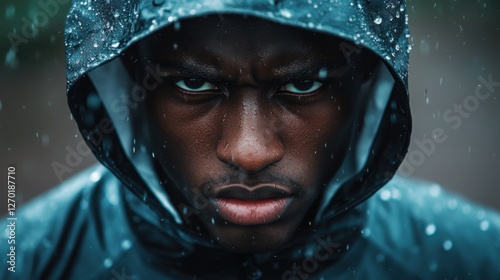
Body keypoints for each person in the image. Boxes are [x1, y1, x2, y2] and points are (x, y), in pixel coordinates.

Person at [2, 0, 500, 279]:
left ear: (366, 84)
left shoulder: (478, 260)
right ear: (128, 85)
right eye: (194, 85)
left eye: (303, 85)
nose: (249, 151)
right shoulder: (23, 261)